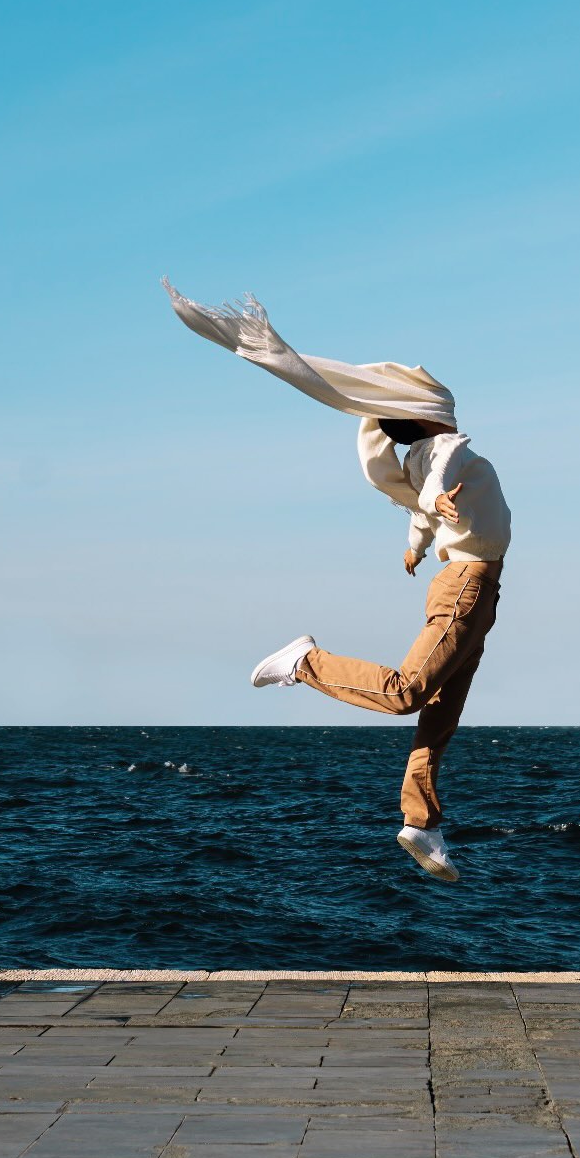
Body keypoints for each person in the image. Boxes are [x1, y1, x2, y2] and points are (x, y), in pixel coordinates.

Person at [163, 280, 511, 881]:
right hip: (466, 585)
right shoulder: (443, 449)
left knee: (440, 713)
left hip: (478, 587)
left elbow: (424, 507)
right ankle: (305, 662)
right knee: (407, 692)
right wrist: (434, 503)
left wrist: (416, 542)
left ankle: (422, 823)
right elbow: (440, 474)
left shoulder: (420, 459)